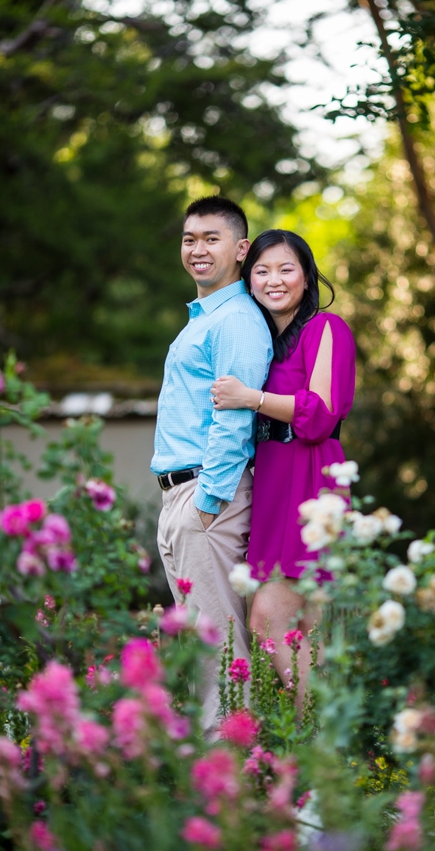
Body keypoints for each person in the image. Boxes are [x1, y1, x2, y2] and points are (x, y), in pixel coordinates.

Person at [210, 228, 356, 706]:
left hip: (310, 480)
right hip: (272, 485)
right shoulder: (264, 343)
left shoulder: (325, 329)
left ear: (307, 277)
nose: (274, 280)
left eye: (286, 269)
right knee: (302, 632)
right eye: (262, 271)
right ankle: (317, 758)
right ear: (248, 280)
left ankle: (315, 744)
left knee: (268, 618)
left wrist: (250, 398)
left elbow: (319, 414)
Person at [152, 195, 273, 729]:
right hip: (183, 497)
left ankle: (228, 785)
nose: (198, 249)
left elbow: (235, 418)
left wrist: (208, 503)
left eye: (211, 238)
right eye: (189, 239)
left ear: (241, 249)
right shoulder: (204, 319)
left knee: (218, 648)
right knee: (199, 652)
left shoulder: (237, 321)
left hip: (206, 498)